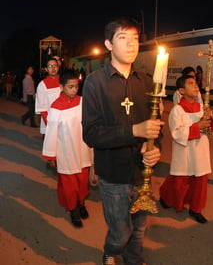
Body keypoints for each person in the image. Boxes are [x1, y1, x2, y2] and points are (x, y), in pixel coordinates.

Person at [81, 16, 164, 265]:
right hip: (113, 176)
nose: (131, 44)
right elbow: (91, 133)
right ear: (108, 44)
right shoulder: (95, 83)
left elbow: (156, 127)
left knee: (138, 232)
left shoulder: (148, 82)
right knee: (121, 232)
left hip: (141, 173)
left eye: (135, 38)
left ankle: (133, 261)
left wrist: (155, 149)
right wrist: (135, 130)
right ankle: (109, 250)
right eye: (123, 38)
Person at [159, 74, 213, 224]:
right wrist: (198, 127)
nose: (196, 86)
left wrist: (210, 121)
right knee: (180, 182)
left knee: (200, 182)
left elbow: (210, 129)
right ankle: (167, 198)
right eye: (191, 83)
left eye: (196, 83)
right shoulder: (177, 110)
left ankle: (196, 209)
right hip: (184, 151)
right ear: (182, 90)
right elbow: (176, 133)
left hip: (200, 150)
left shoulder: (202, 108)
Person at [42, 69, 93, 228]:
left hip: (82, 148)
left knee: (83, 180)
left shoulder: (83, 102)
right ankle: (73, 210)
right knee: (70, 184)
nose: (74, 90)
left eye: (76, 86)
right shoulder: (56, 107)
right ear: (62, 87)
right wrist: (51, 155)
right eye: (70, 87)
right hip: (66, 151)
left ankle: (81, 203)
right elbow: (51, 133)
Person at [35, 58, 61, 135]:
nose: (53, 68)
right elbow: (41, 107)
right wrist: (49, 124)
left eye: (54, 65)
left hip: (63, 119)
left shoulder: (63, 81)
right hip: (49, 119)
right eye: (50, 66)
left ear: (58, 67)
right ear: (46, 69)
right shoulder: (42, 85)